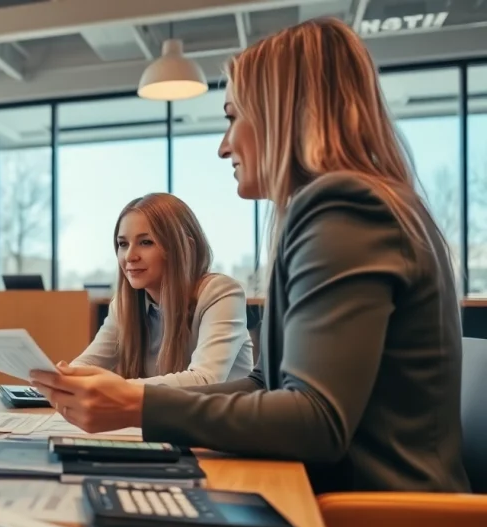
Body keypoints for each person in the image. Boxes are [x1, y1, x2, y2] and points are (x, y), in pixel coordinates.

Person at [31, 17, 470, 494]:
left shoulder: (344, 207)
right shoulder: (350, 206)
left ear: (282, 113)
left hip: (378, 521)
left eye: (231, 117)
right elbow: (267, 384)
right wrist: (135, 402)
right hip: (348, 499)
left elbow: (316, 419)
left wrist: (139, 406)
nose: (224, 147)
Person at [71, 193, 252, 387]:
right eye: (123, 244)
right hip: (165, 418)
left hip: (220, 417)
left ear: (186, 247)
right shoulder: (125, 306)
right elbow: (86, 366)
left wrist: (115, 388)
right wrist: (61, 378)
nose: (130, 256)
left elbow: (204, 379)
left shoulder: (221, 294)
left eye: (146, 242)